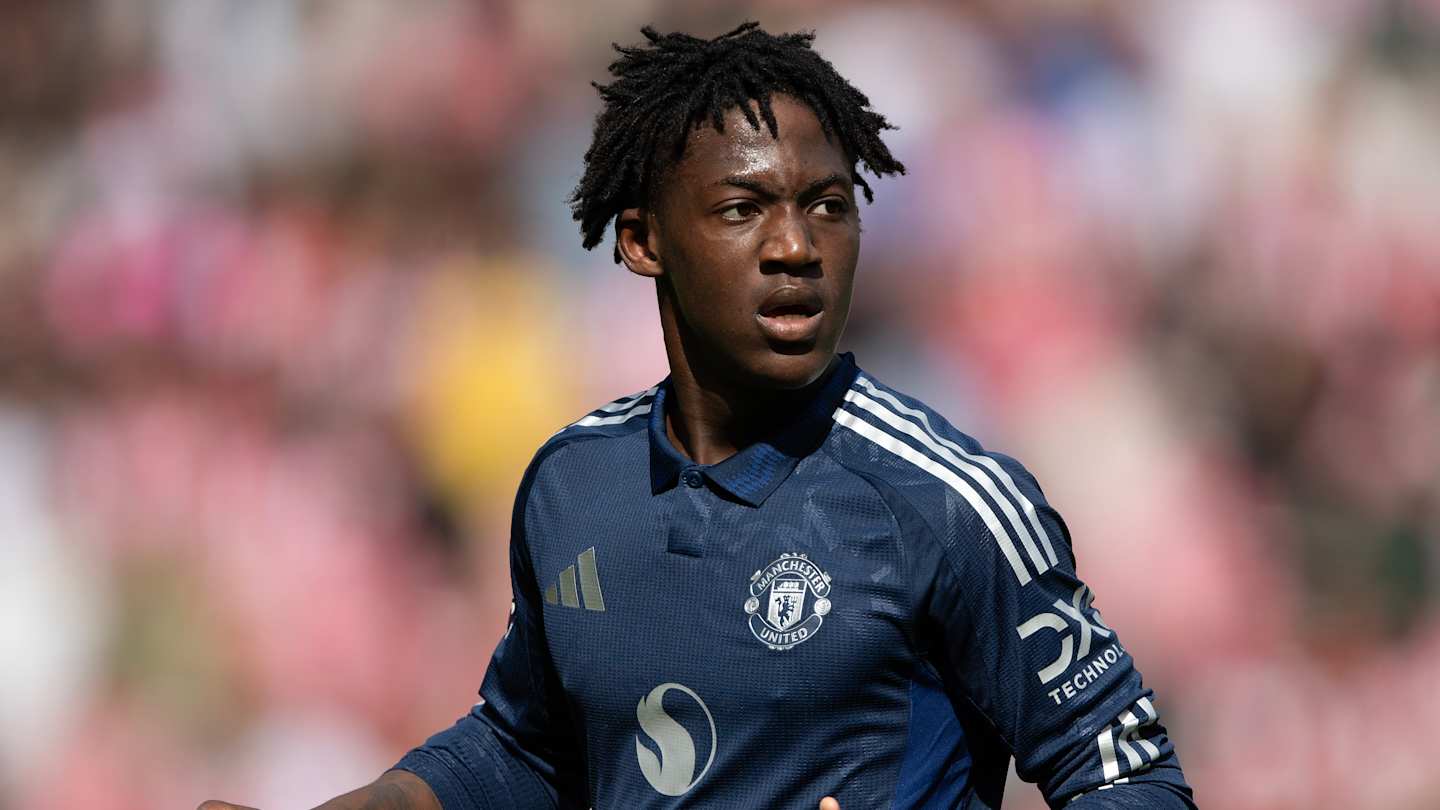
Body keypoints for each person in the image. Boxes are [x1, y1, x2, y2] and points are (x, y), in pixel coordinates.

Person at [202, 22, 1194, 810]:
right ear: (642, 242)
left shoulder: (950, 505)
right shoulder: (573, 486)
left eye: (828, 205)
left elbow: (1129, 777)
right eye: (742, 209)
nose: (796, 246)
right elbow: (526, 744)